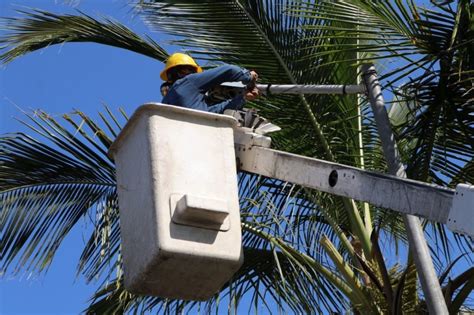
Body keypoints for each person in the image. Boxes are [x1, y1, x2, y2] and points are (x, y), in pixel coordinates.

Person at [161, 53, 259, 113]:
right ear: (182, 71)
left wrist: (242, 98)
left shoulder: (165, 104)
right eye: (192, 70)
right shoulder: (187, 82)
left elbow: (213, 112)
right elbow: (229, 71)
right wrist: (248, 76)